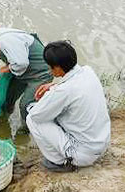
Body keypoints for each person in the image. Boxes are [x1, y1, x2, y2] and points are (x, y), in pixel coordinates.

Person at [26, 41, 111, 172]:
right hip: (102, 143)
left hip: (83, 154)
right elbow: (73, 87)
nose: (49, 69)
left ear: (58, 68)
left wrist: (37, 103)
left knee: (31, 118)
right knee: (57, 112)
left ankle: (60, 162)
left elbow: (37, 115)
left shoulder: (64, 91)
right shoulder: (88, 71)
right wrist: (54, 85)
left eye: (50, 67)